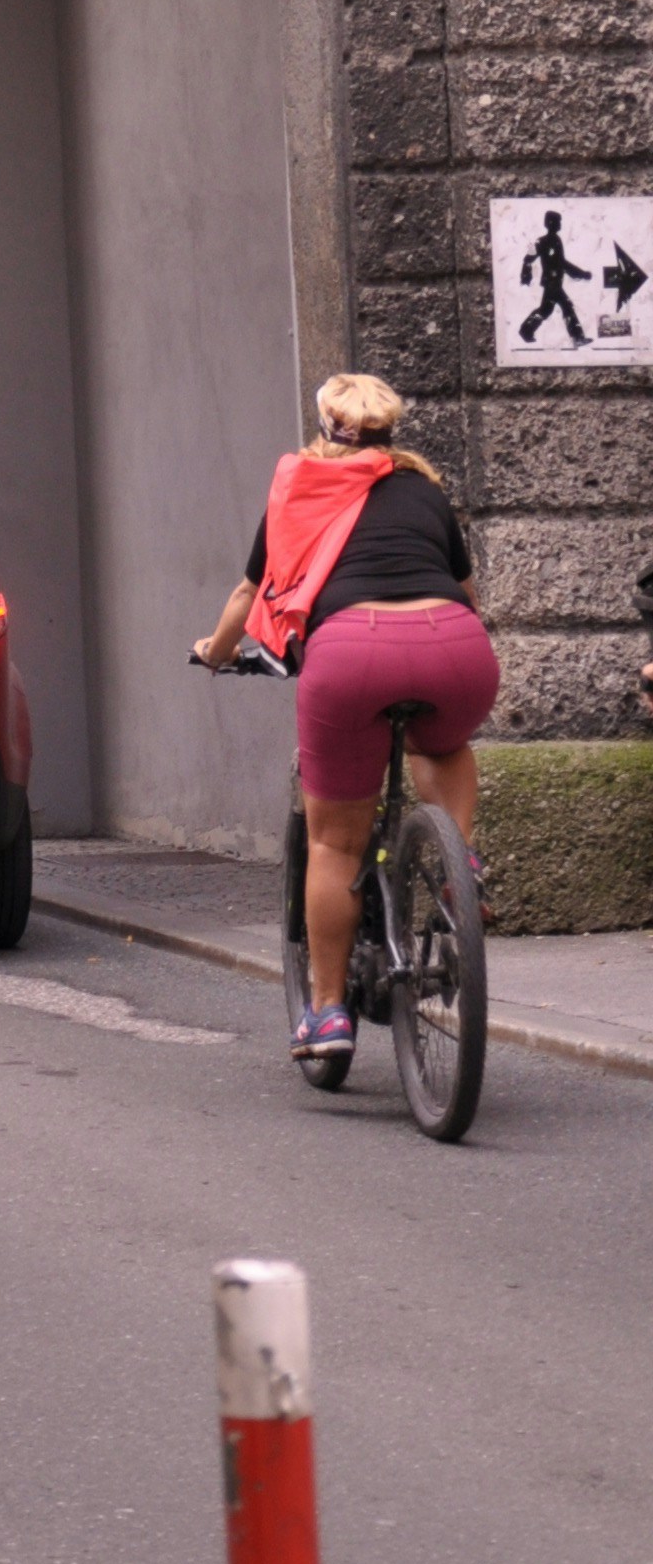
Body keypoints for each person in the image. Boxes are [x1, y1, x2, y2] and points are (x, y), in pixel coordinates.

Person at [193, 373, 499, 1061]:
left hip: (351, 655)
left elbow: (251, 590)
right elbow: (467, 591)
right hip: (455, 647)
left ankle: (328, 1014)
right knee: (443, 744)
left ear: (326, 428)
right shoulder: (424, 490)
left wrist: (215, 653)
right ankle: (459, 861)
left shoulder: (296, 491)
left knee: (335, 844)